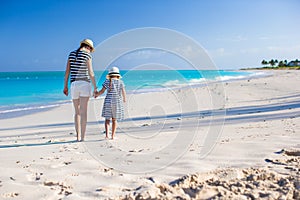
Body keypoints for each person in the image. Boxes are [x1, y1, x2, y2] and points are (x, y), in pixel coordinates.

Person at [63, 39, 97, 142]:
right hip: (85, 84)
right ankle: (82, 137)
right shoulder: (87, 55)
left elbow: (67, 72)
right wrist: (95, 87)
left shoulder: (71, 54)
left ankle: (77, 137)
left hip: (74, 84)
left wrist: (65, 86)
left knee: (77, 112)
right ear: (88, 47)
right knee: (84, 112)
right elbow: (91, 73)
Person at [95, 67, 126, 139]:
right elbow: (123, 91)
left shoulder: (107, 81)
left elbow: (102, 91)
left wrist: (97, 94)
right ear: (117, 75)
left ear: (110, 74)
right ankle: (113, 136)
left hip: (108, 102)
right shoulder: (120, 82)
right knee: (114, 119)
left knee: (107, 119)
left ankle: (107, 135)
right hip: (117, 102)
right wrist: (124, 98)